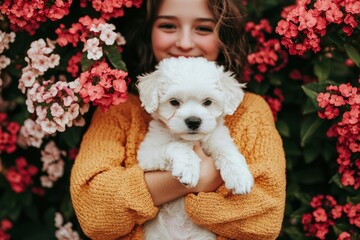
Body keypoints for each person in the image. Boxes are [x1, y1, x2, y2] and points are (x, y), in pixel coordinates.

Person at [70, 0, 286, 239]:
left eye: (203, 28)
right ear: (148, 30)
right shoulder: (118, 110)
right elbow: (93, 212)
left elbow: (265, 221)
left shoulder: (251, 112)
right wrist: (193, 180)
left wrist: (225, 165)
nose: (184, 43)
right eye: (168, 26)